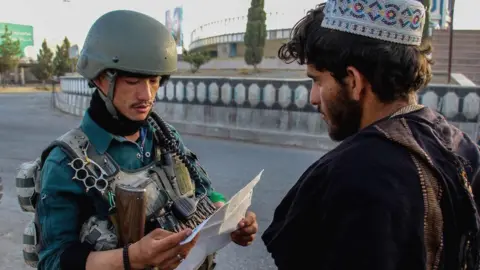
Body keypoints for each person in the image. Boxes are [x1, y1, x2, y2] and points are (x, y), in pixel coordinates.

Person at [32, 10, 258, 270]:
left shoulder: (165, 137)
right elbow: (52, 261)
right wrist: (131, 258)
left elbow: (204, 192)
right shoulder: (65, 161)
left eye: (154, 81)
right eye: (132, 81)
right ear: (99, 79)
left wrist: (230, 219)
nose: (146, 95)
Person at [262, 0, 480, 269]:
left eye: (317, 80)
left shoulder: (353, 174)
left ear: (353, 81)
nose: (314, 98)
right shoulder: (461, 146)